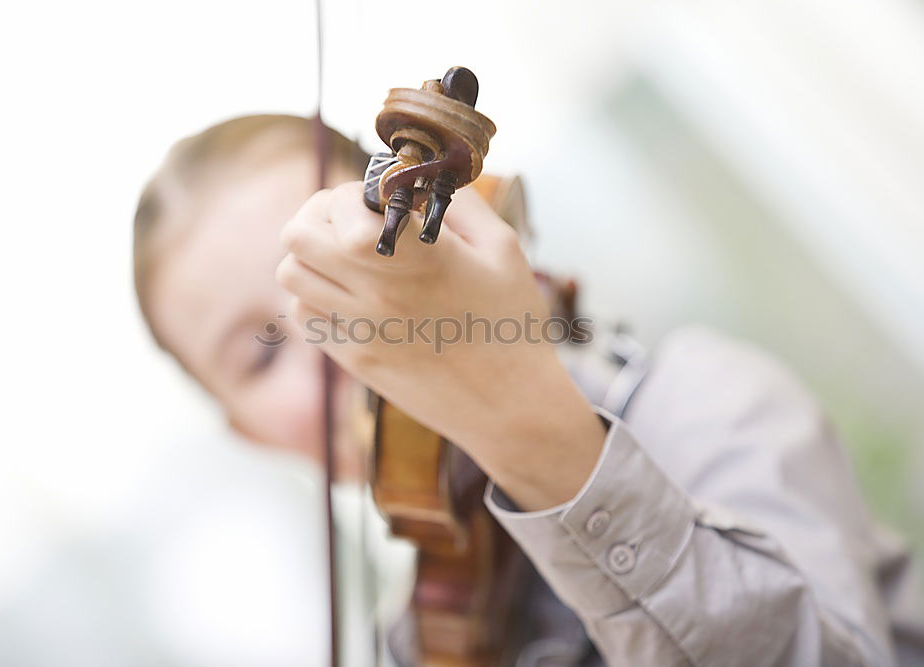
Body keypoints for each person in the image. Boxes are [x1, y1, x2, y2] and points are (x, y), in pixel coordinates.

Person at [133, 114, 924, 665]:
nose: (330, 335)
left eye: (338, 271)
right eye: (261, 354)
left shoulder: (699, 402)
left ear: (426, 233)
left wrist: (534, 439)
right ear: (254, 434)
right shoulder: (415, 641)